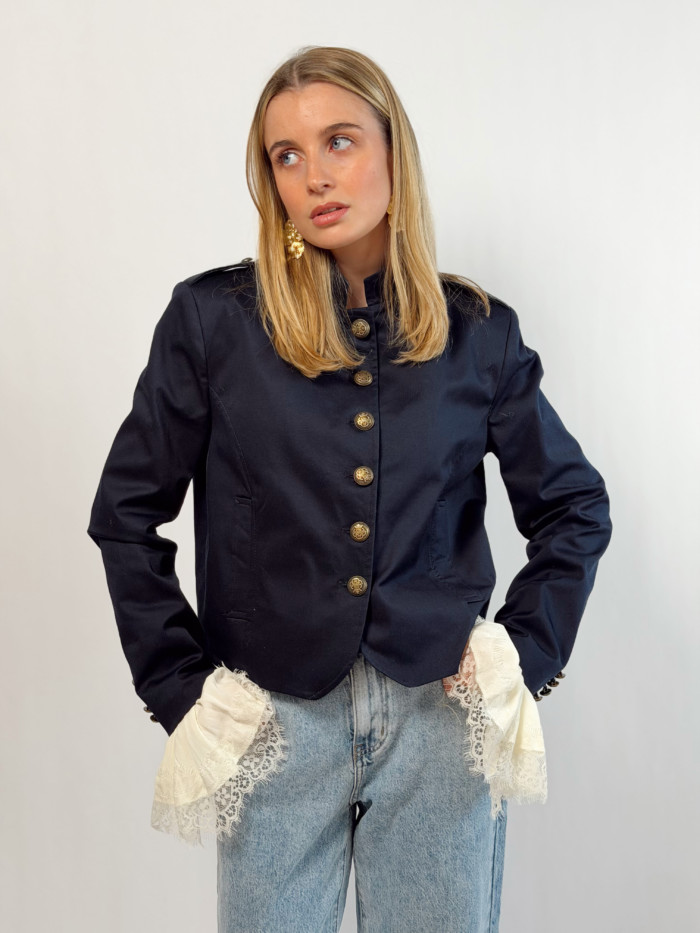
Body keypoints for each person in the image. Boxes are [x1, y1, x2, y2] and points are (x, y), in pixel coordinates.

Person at [87, 45, 612, 933]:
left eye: (340, 141)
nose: (315, 176)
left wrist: (520, 655)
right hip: (273, 725)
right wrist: (182, 687)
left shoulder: (477, 334)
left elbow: (573, 508)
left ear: (393, 151)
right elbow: (125, 515)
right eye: (286, 156)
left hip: (439, 723)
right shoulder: (213, 323)